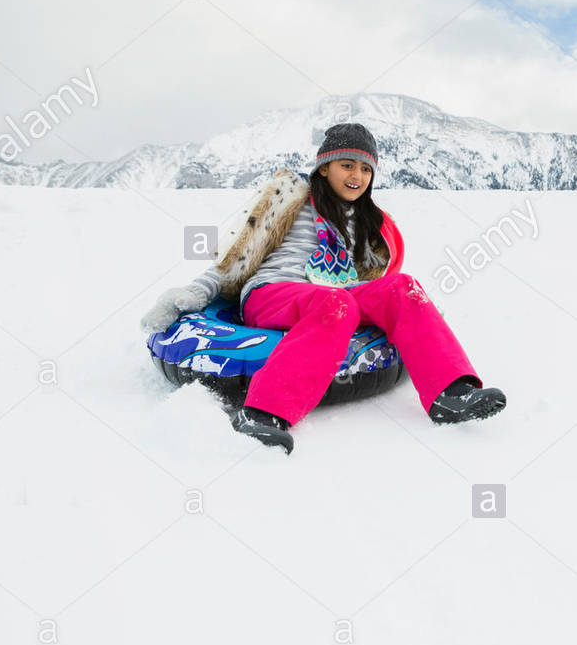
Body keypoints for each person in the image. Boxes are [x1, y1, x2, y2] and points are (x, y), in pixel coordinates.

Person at [140, 123, 506, 453]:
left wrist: (414, 316)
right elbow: (239, 256)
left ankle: (451, 393)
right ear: (324, 167)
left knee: (402, 287)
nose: (357, 175)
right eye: (347, 164)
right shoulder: (291, 201)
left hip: (332, 295)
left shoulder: (365, 223)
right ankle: (263, 412)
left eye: (366, 169)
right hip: (273, 292)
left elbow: (367, 280)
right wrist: (193, 294)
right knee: (336, 304)